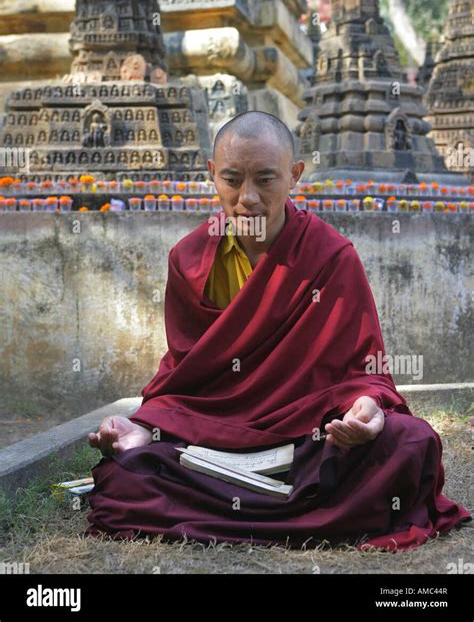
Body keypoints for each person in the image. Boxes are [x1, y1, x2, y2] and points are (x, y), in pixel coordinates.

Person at [85, 110, 471, 551]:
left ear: (295, 176)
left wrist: (366, 408)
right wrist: (143, 425)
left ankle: (219, 509)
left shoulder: (330, 257)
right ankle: (308, 515)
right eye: (232, 180)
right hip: (211, 437)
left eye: (265, 180)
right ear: (212, 175)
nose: (247, 198)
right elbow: (185, 377)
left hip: (305, 437)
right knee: (121, 474)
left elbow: (364, 370)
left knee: (411, 441)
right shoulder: (189, 261)